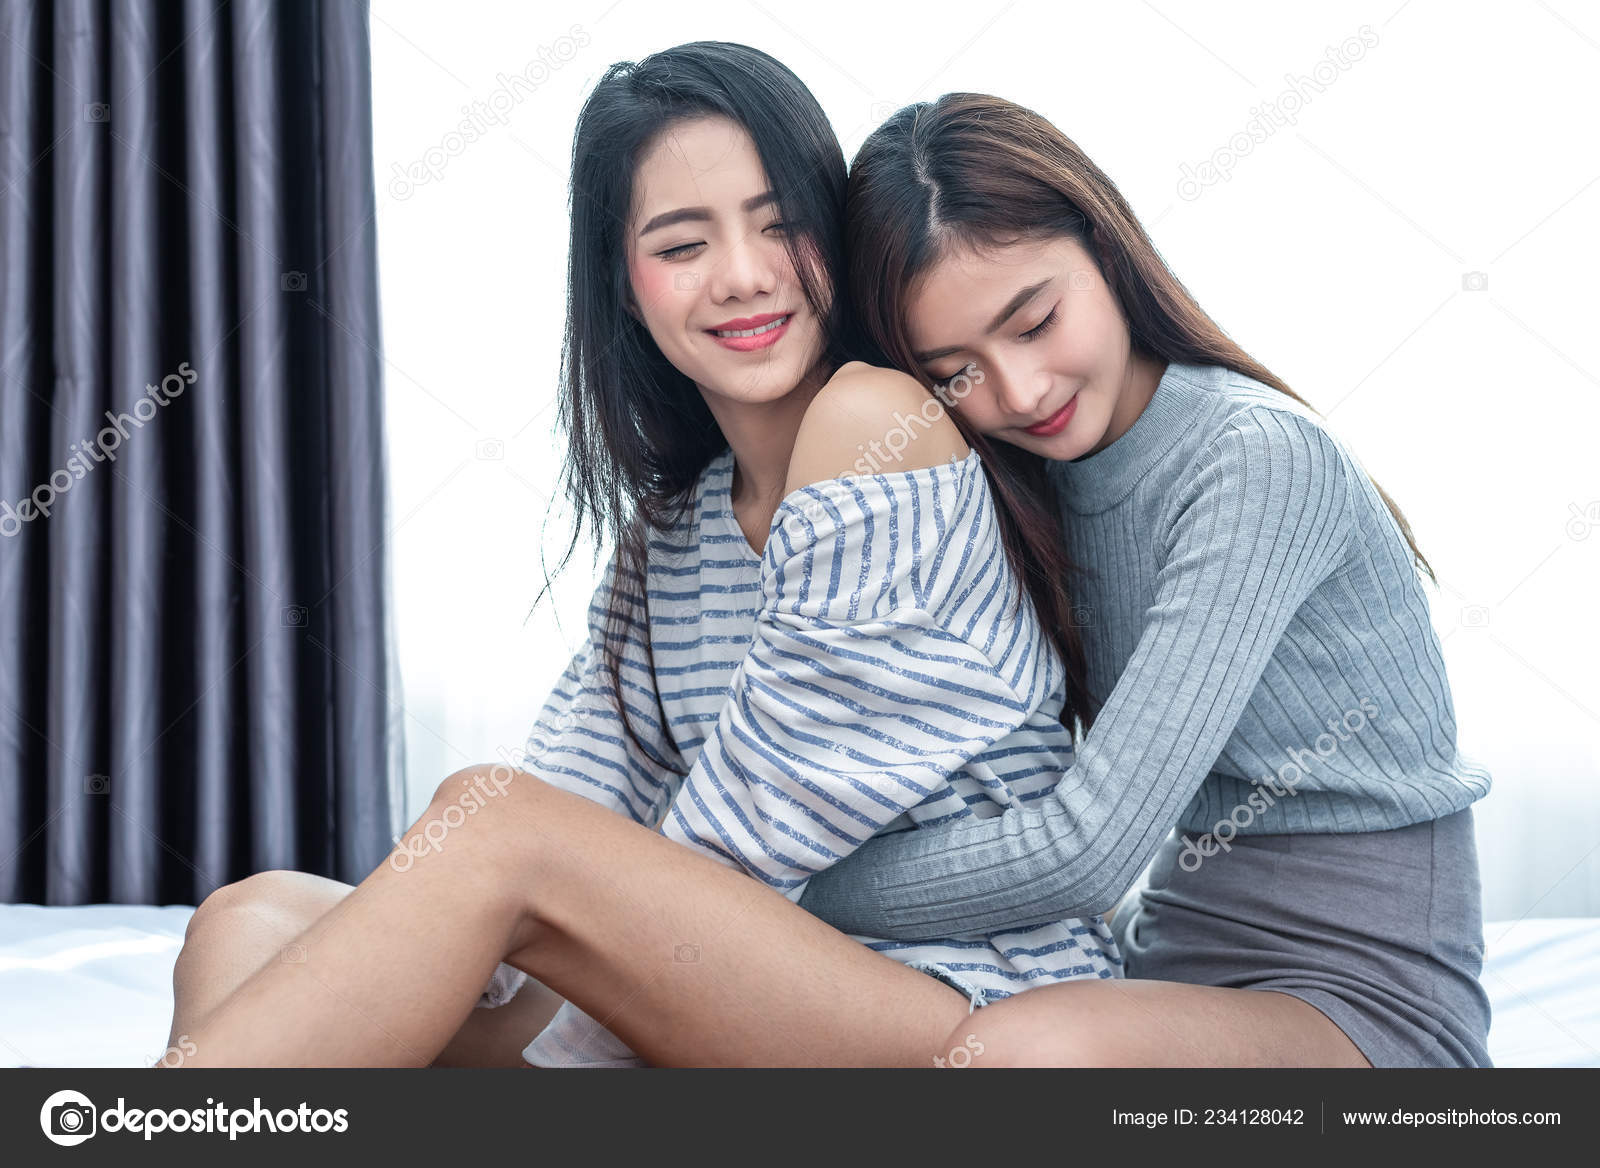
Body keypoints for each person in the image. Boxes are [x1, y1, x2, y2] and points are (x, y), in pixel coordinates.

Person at [791, 92, 1494, 1069]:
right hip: (1163, 966)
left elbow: (1087, 849)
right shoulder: (1032, 479)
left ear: (1105, 248)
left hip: (1363, 1001)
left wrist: (797, 888)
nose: (1019, 390)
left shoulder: (1253, 459)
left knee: (1007, 1055)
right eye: (956, 371)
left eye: (1035, 321)